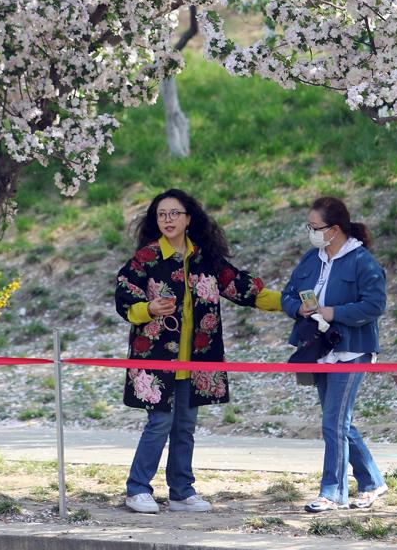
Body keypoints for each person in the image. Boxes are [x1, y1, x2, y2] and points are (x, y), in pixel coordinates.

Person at [114, 188, 283, 514]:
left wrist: (289, 303)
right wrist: (149, 308)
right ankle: (137, 489)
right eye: (161, 214)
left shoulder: (205, 258)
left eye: (174, 213)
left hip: (197, 359)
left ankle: (181, 492)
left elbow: (243, 288)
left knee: (185, 426)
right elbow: (124, 298)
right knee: (159, 424)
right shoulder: (145, 258)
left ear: (189, 218)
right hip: (156, 359)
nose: (167, 219)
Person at [281, 196, 388, 512]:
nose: (311, 232)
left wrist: (333, 312)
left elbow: (374, 305)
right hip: (319, 350)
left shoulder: (362, 261)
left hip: (352, 351)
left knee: (333, 423)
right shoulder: (310, 259)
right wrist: (297, 307)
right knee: (339, 422)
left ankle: (332, 492)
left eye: (315, 227)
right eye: (309, 226)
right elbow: (288, 294)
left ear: (335, 229)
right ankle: (372, 482)